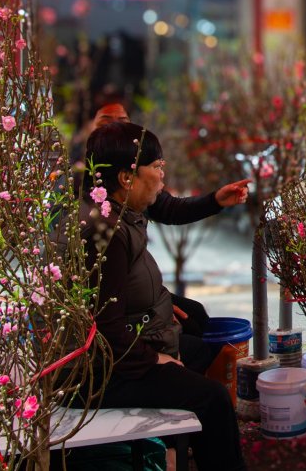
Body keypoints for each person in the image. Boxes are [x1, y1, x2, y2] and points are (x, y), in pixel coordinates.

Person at [75, 122, 247, 471]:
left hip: (123, 350)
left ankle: (173, 449)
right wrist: (154, 360)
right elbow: (104, 328)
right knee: (212, 399)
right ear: (127, 177)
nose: (163, 177)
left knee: (197, 334)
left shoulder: (118, 205)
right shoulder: (104, 230)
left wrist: (214, 200)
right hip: (97, 376)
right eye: (157, 168)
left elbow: (169, 207)